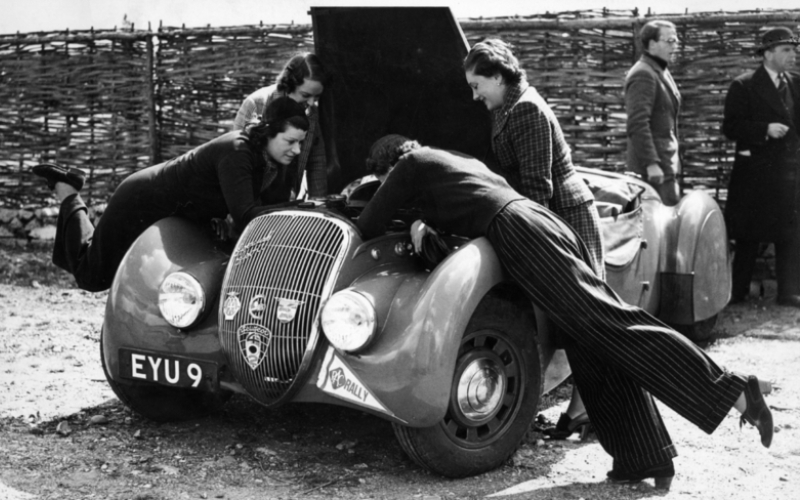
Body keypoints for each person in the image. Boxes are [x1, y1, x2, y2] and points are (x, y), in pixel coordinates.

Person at [358, 134, 773, 490]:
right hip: (540, 224)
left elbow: (370, 221)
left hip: (519, 231)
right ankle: (644, 455)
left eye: (384, 179)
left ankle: (734, 390)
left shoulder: (412, 162)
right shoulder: (452, 161)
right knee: (588, 338)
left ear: (389, 165)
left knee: (613, 325)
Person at [464, 38, 603, 439]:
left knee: (584, 315)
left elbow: (537, 186)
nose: (475, 95)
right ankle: (581, 411)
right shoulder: (508, 104)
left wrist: (529, 241)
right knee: (573, 316)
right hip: (555, 212)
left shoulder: (524, 109)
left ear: (497, 76)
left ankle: (585, 412)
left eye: (477, 85)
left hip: (564, 215)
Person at [32, 97, 309, 292]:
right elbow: (246, 214)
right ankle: (68, 191)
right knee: (92, 276)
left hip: (172, 209)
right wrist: (298, 211)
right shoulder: (238, 151)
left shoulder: (261, 156)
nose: (297, 151)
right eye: (291, 141)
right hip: (140, 201)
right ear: (269, 133)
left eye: (301, 143)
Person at [722, 27, 800, 307]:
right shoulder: (744, 86)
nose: (792, 55)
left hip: (789, 173)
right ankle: (738, 290)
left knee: (790, 232)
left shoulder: (796, 83)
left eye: (793, 50)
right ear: (767, 54)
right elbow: (730, 127)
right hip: (755, 173)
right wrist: (764, 129)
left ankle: (789, 291)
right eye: (785, 50)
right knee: (747, 234)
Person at [233, 52, 332, 199]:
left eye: (316, 97)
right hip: (253, 194)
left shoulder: (311, 113)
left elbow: (316, 161)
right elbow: (237, 158)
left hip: (286, 195)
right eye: (305, 95)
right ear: (289, 84)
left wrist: (318, 203)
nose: (311, 103)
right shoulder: (257, 103)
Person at [625, 20, 683, 206]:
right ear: (652, 44)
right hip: (652, 172)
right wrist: (651, 163)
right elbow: (638, 123)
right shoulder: (644, 74)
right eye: (669, 40)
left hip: (664, 166)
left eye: (676, 40)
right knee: (658, 227)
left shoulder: (659, 70)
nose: (675, 45)